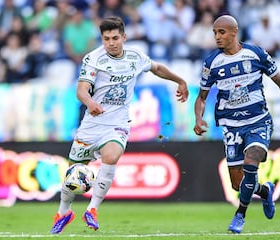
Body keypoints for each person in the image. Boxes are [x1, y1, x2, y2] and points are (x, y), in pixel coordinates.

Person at [50, 16, 189, 234]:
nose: (111, 43)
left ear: (123, 37)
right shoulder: (93, 59)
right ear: (102, 39)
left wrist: (180, 80)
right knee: (72, 174)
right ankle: (64, 211)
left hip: (118, 123)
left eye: (115, 38)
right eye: (106, 39)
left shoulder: (135, 57)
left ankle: (92, 209)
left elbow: (157, 68)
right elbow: (81, 90)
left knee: (112, 156)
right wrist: (90, 102)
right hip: (92, 123)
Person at [193, 15, 280, 234]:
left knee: (251, 162)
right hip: (231, 126)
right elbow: (202, 97)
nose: (217, 37)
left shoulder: (256, 54)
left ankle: (239, 215)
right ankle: (265, 190)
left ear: (234, 32)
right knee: (237, 184)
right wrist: (198, 117)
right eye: (214, 33)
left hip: (258, 121)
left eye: (221, 32)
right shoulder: (211, 62)